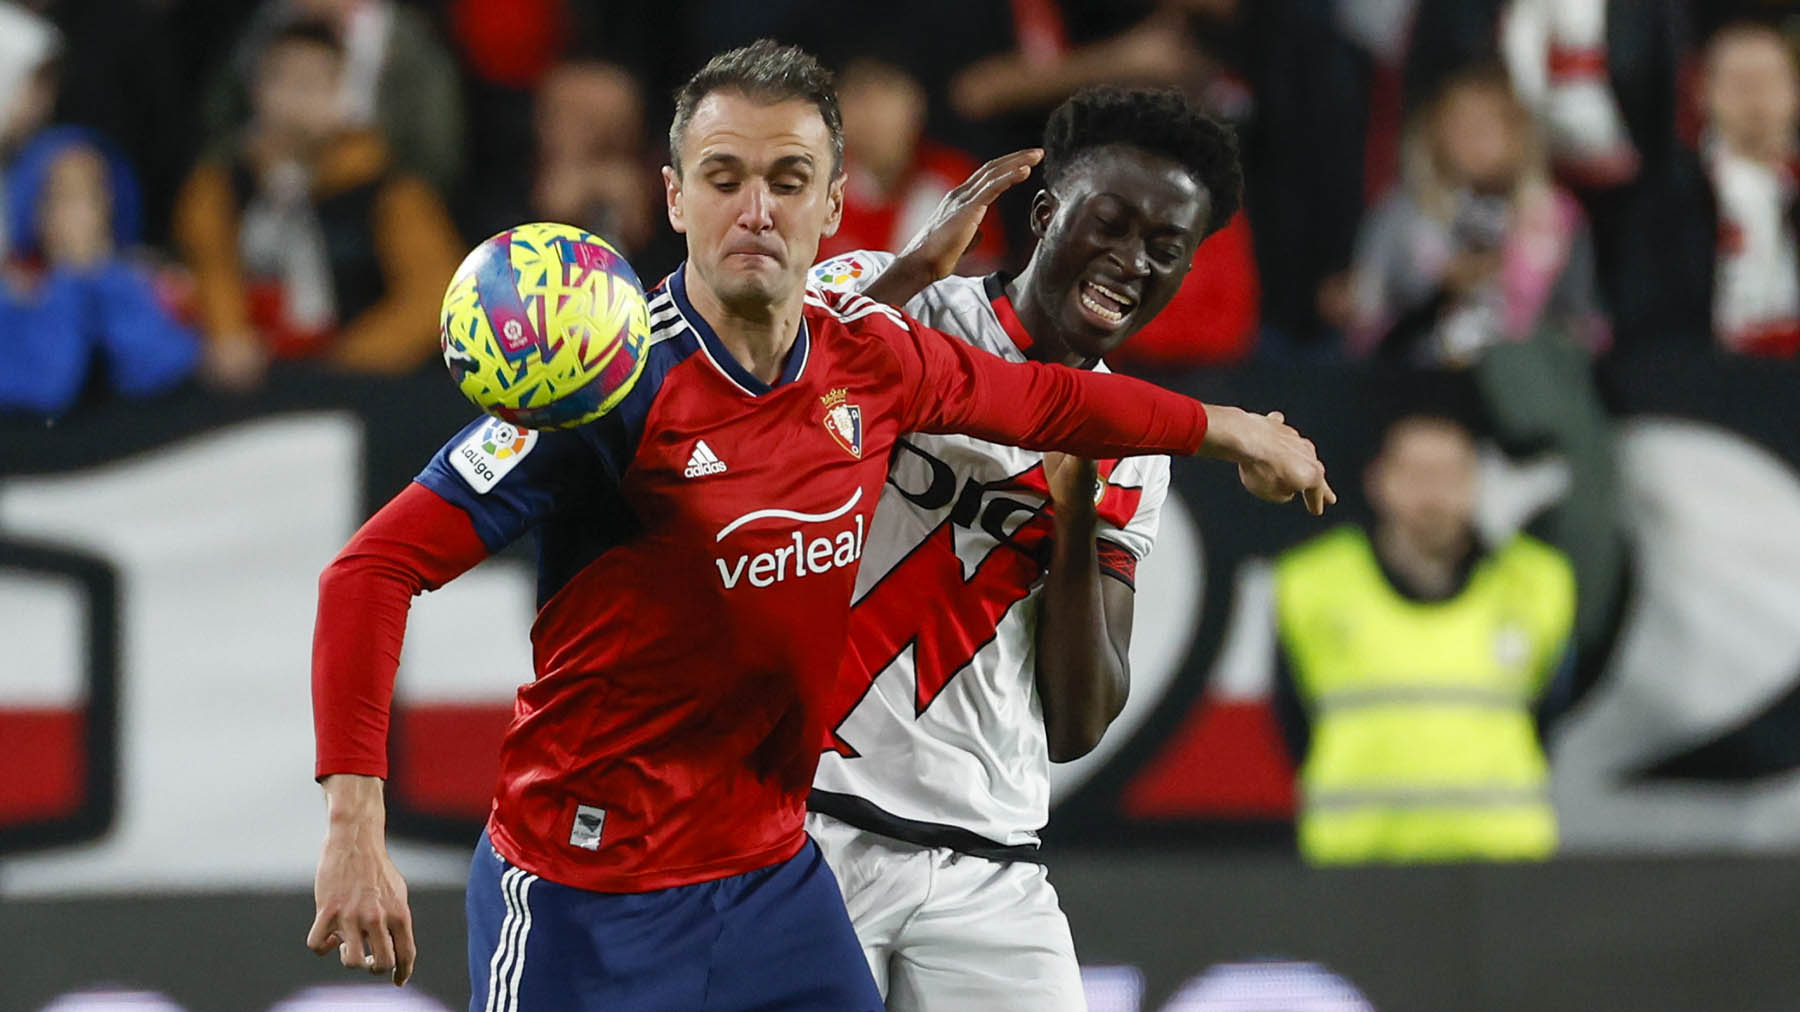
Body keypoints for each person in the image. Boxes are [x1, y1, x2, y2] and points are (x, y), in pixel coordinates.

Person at [306, 40, 1333, 1009]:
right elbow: (372, 569)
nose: (756, 210)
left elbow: (1058, 406)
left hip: (770, 872)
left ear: (834, 201)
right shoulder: (604, 383)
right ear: (673, 195)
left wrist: (1232, 428)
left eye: (789, 180)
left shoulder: (873, 361)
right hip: (592, 870)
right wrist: (355, 825)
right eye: (722, 177)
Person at [805, 85, 1246, 1011]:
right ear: (1045, 213)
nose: (1131, 263)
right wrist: (912, 271)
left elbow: (1081, 721)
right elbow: (773, 426)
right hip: (813, 827)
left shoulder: (1136, 449)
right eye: (1111, 225)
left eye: (1166, 251)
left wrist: (1077, 509)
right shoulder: (907, 310)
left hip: (990, 866)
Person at [1272, 410, 1575, 865]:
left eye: (1450, 473)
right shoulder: (1312, 583)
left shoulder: (1538, 582)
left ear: (1477, 481)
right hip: (1358, 864)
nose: (1432, 492)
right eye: (1415, 472)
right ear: (1379, 480)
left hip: (1503, 863)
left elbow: (1551, 712)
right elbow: (1293, 722)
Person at [173, 18, 462, 390]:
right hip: (247, 389)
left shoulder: (390, 193)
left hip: (362, 391)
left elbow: (433, 297)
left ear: (343, 96)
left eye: (313, 85)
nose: (294, 101)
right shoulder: (219, 187)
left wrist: (339, 368)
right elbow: (208, 266)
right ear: (257, 90)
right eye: (283, 81)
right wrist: (231, 339)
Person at [1346, 63, 1608, 365]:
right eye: (1459, 126)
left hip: (1521, 375)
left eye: (1487, 126)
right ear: (1434, 132)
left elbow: (1579, 314)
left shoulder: (1553, 218)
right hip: (1418, 370)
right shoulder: (1405, 211)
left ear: (1520, 133)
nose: (1473, 140)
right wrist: (1438, 281)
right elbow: (1369, 302)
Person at [0, 127, 198, 416]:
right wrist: (69, 278)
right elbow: (46, 387)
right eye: (66, 195)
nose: (84, 210)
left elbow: (163, 367)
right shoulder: (15, 288)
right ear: (34, 206)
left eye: (95, 192)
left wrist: (105, 278)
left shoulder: (137, 276)